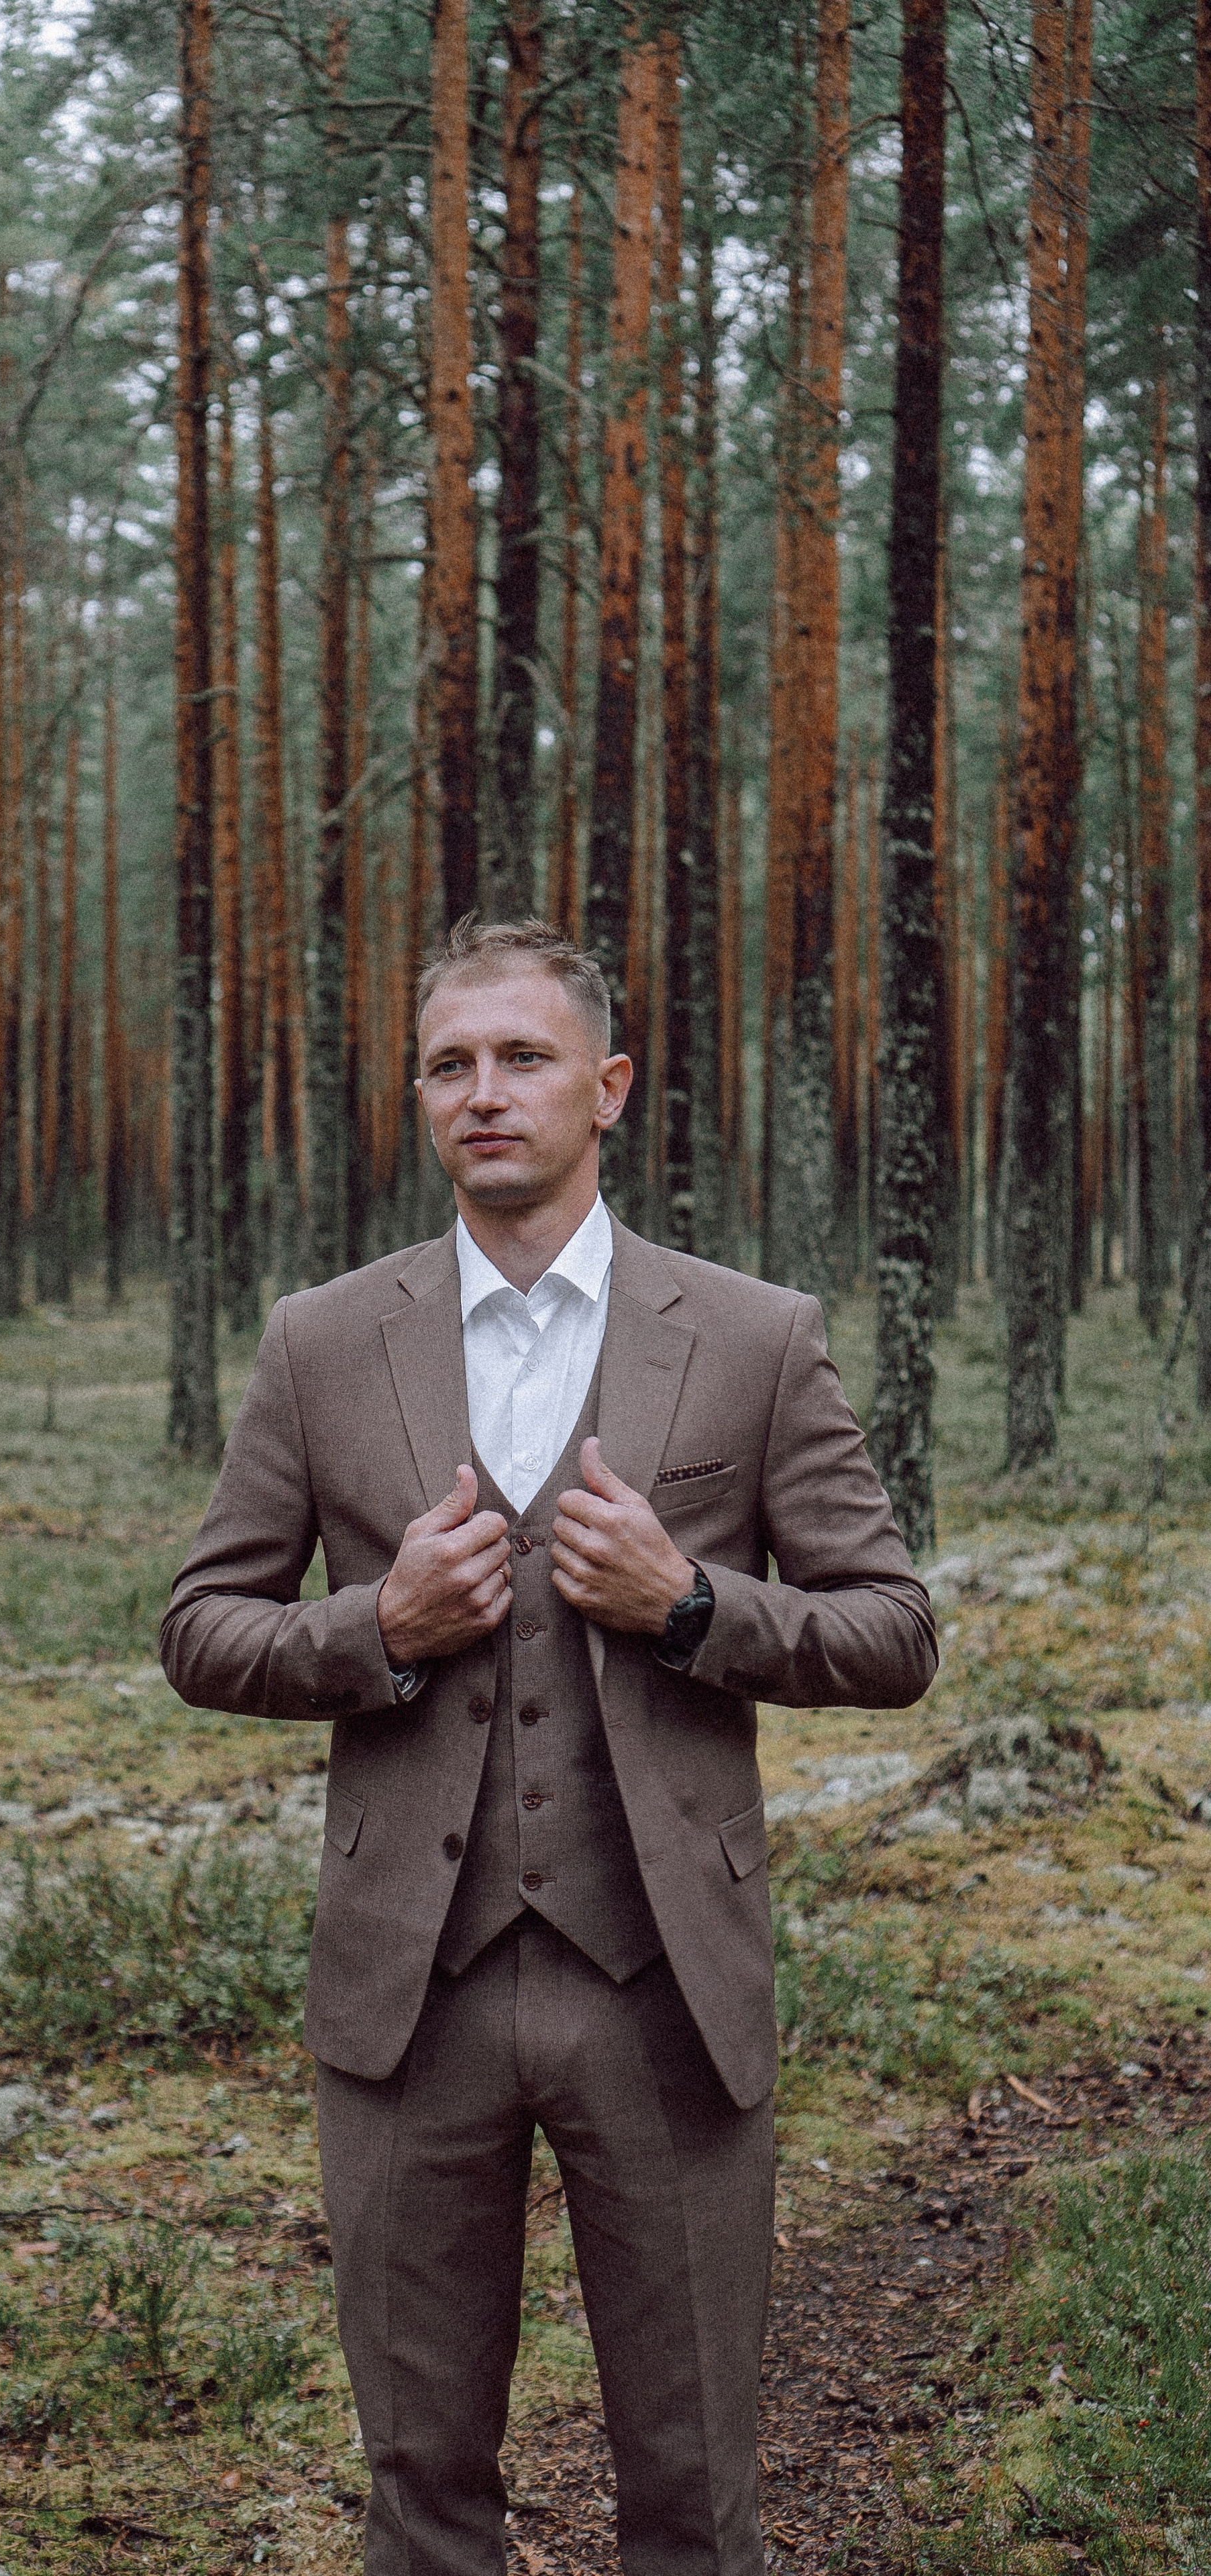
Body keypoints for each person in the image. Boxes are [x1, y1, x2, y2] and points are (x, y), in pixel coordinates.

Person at [160, 918, 935, 2576]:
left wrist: (690, 1604)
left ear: (609, 1084)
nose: (483, 1093)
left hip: (660, 1985)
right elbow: (200, 1630)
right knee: (421, 2491)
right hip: (405, 1992)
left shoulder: (749, 1336)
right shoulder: (319, 1341)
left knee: (689, 2486)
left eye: (520, 1058)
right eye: (449, 1065)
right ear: (419, 1100)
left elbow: (891, 1630)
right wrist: (375, 1629)